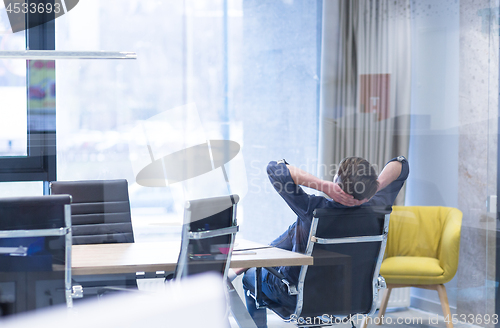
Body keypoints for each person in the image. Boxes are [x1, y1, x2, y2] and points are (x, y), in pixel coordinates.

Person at [239, 156, 409, 328]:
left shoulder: (314, 208)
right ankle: (263, 254)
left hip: (297, 297)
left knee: (251, 277)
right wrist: (376, 187)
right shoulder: (377, 206)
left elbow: (274, 168)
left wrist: (323, 185)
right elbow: (402, 164)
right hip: (352, 297)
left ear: (336, 182)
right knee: (299, 231)